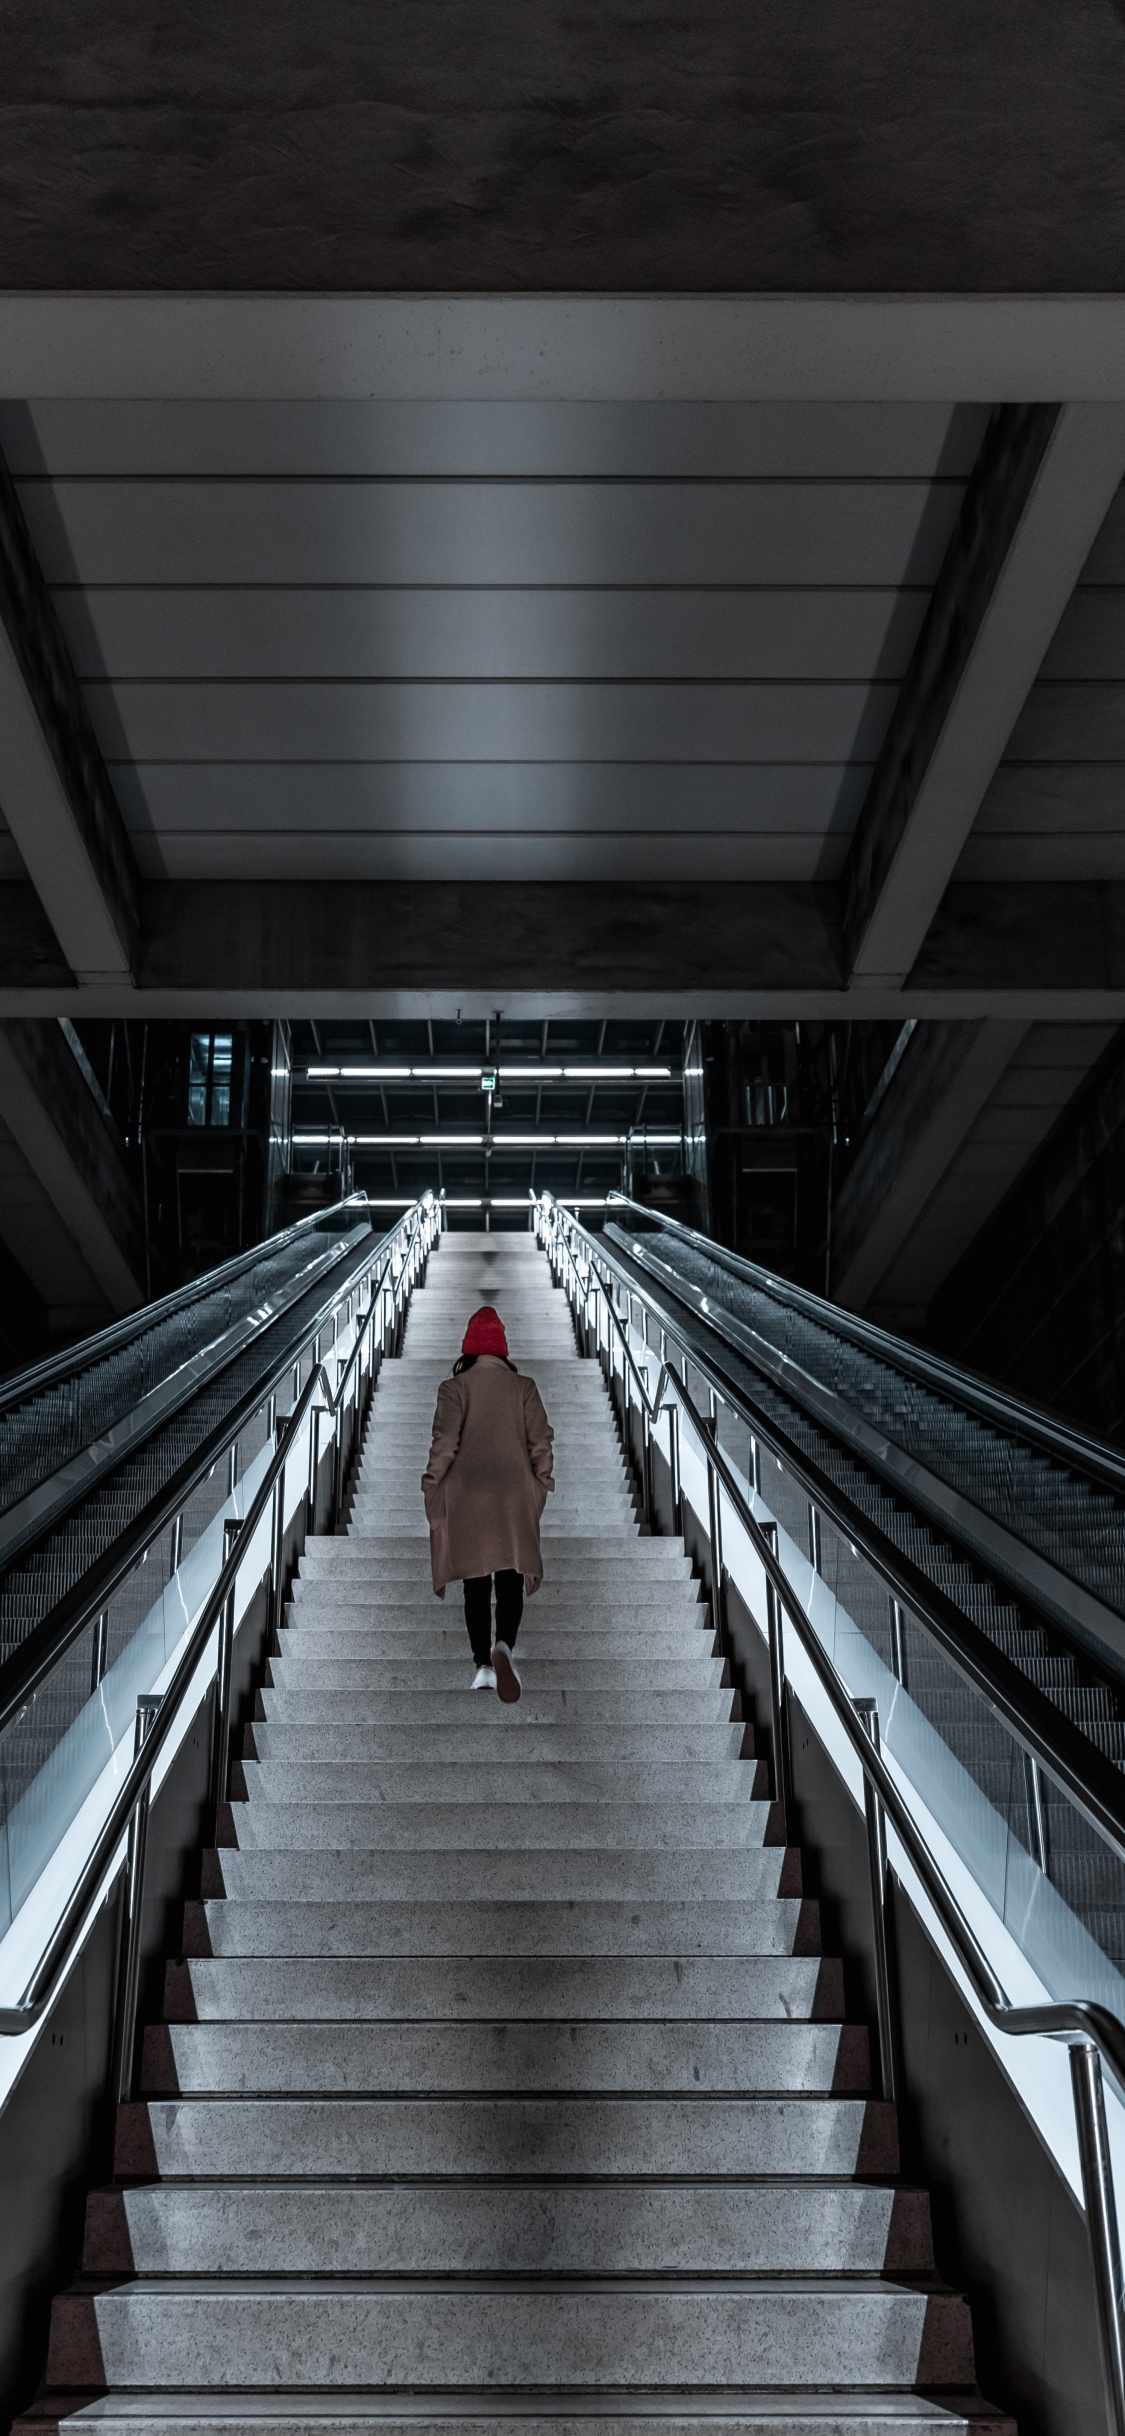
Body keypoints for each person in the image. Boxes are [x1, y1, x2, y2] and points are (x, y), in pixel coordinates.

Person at [421, 1304, 554, 1701]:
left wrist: (432, 1484)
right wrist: (540, 1485)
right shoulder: (524, 1387)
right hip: (514, 1492)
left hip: (468, 1494)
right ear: (502, 1350)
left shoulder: (454, 1389)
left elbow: (444, 1443)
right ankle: (504, 1646)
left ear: (468, 1350)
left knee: (476, 1583)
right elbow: (541, 1444)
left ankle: (482, 1665)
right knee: (510, 1576)